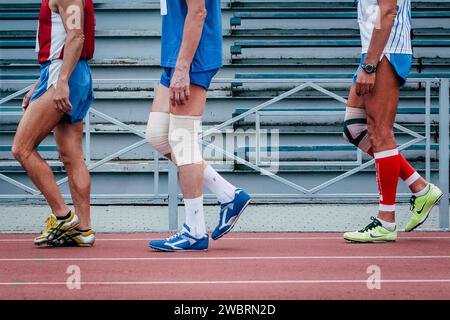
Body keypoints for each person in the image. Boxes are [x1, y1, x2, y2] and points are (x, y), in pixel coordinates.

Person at [147, 0, 251, 252]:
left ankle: (194, 231)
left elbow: (198, 11)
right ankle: (228, 194)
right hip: (176, 54)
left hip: (192, 57)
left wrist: (183, 68)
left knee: (183, 142)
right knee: (158, 135)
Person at [342, 0, 443, 242]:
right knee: (354, 129)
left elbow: (387, 12)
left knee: (380, 132)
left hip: (386, 52)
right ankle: (420, 187)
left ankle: (386, 221)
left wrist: (370, 64)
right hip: (375, 50)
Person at [12, 0, 96, 247]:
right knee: (72, 156)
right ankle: (83, 229)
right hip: (71, 72)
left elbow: (76, 36)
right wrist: (38, 86)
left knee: (21, 148)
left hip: (62, 73)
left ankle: (62, 216)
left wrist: (60, 82)